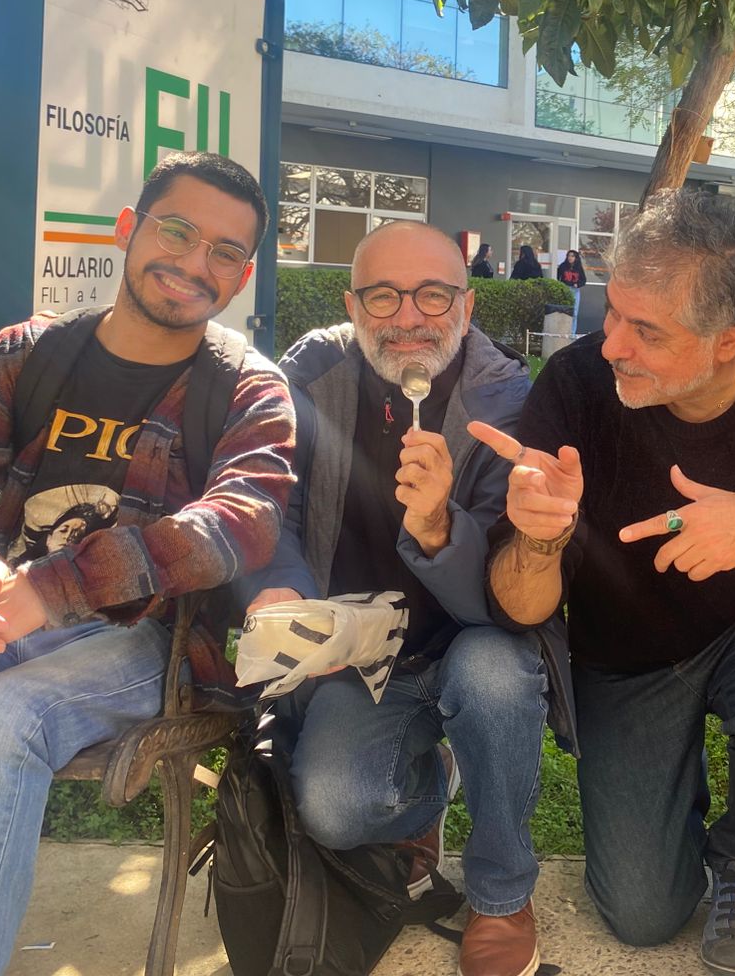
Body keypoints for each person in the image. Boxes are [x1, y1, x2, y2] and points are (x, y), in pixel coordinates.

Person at [468, 190, 735, 976]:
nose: (612, 344)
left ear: (733, 336)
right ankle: (672, 828)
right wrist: (539, 536)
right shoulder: (577, 386)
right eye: (613, 312)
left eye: (647, 331)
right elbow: (519, 610)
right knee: (642, 913)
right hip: (626, 650)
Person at [0, 151, 295, 976]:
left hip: (146, 642)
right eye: (177, 231)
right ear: (129, 228)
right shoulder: (26, 355)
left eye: (224, 252)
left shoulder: (247, 388)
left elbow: (242, 522)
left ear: (242, 276)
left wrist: (53, 590)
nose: (194, 262)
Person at [250, 220, 552, 976]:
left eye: (433, 296)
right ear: (352, 306)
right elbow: (274, 510)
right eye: (383, 296)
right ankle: (430, 787)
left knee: (492, 675)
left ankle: (501, 894)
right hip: (357, 654)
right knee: (334, 808)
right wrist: (291, 599)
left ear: (468, 304)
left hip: (468, 638)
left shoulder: (504, 400)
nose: (409, 318)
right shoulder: (309, 379)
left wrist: (441, 526)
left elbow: (500, 600)